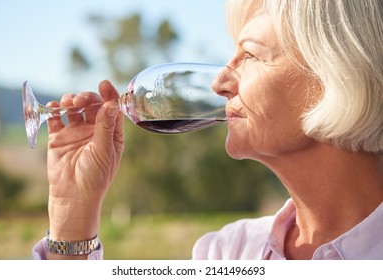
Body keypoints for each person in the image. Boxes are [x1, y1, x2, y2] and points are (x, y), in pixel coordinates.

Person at [33, 0, 383, 260]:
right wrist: (73, 213)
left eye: (250, 55)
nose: (219, 82)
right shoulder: (226, 252)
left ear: (334, 72)